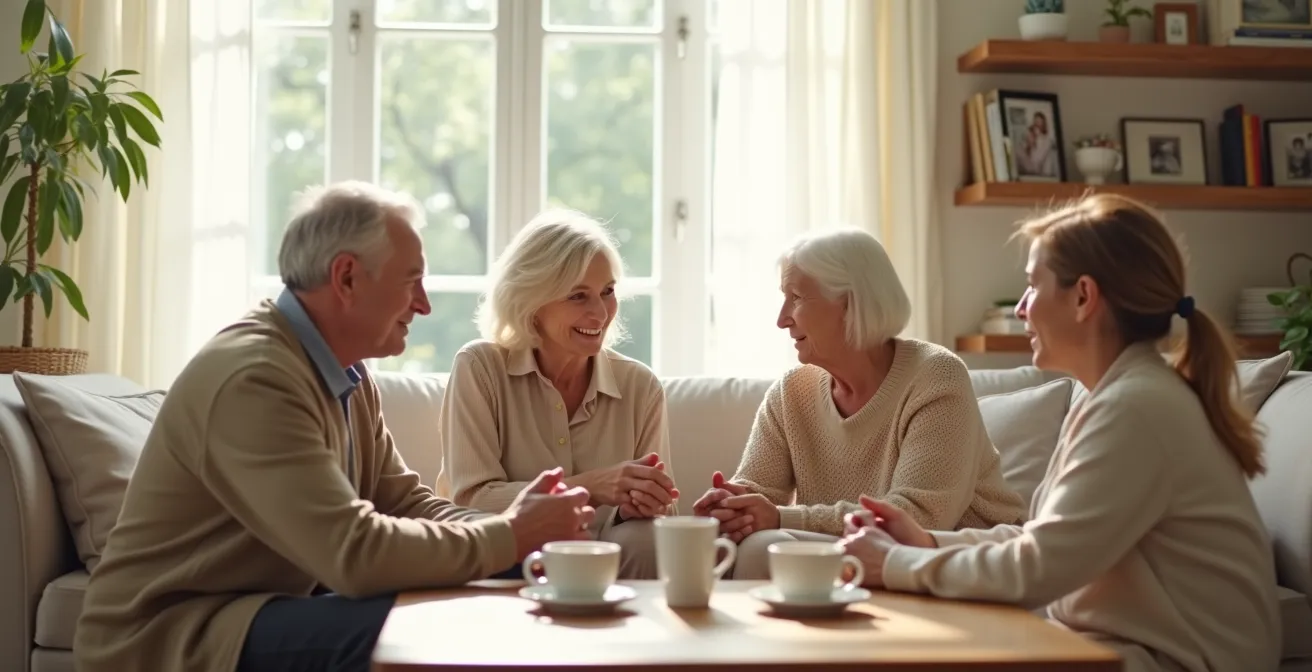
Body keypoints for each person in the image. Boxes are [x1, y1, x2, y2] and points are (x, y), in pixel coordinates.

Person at [74, 182, 597, 672]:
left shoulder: (345, 370)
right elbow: (356, 555)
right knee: (417, 627)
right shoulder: (256, 378)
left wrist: (524, 539)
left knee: (505, 588)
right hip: (174, 634)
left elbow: (406, 503)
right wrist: (510, 534)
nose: (424, 303)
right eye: (411, 279)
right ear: (347, 278)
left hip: (256, 608)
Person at [839, 194, 1281, 672]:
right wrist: (924, 543)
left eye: (1032, 286)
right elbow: (1039, 539)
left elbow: (1038, 568)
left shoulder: (1137, 407)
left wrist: (895, 564)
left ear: (1084, 297)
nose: (1023, 308)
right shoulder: (1112, 395)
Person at [691, 228, 1026, 579]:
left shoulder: (936, 376)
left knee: (769, 546)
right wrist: (733, 504)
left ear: (851, 304)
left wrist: (779, 516)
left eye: (797, 298)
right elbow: (760, 491)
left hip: (967, 570)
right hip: (864, 561)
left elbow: (916, 519)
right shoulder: (792, 393)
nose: (782, 318)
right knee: (760, 546)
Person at [435, 209, 676, 580]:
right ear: (531, 302)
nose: (599, 313)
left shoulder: (640, 387)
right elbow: (472, 498)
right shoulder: (479, 366)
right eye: (578, 296)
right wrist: (592, 487)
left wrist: (639, 504)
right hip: (507, 555)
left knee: (649, 539)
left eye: (607, 292)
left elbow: (663, 516)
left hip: (605, 569)